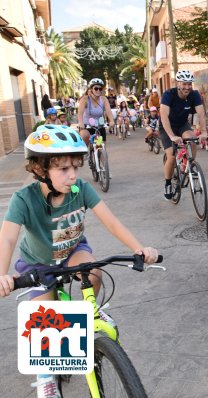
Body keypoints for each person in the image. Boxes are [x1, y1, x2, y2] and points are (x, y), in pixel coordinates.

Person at [0, 125, 159, 397]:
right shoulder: (23, 199)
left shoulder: (80, 189)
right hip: (39, 264)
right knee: (43, 321)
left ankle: (90, 310)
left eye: (76, 166)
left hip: (74, 251)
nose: (73, 174)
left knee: (94, 272)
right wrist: (2, 273)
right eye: (63, 169)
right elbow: (7, 239)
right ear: (40, 169)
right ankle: (46, 375)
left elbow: (111, 221)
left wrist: (139, 248)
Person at [160, 70, 208, 200]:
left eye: (189, 84)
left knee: (192, 140)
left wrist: (204, 131)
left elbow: (201, 113)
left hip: (182, 124)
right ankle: (168, 183)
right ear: (178, 83)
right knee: (171, 155)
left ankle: (189, 165)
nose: (187, 87)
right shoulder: (168, 95)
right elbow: (164, 116)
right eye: (184, 84)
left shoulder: (194, 94)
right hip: (167, 127)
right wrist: (171, 136)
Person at [77, 78, 115, 145]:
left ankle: (99, 154)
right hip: (87, 126)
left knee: (100, 146)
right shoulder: (85, 99)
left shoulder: (104, 99)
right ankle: (86, 154)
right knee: (84, 136)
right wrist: (80, 123)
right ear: (91, 89)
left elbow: (108, 111)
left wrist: (111, 121)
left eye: (100, 89)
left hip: (99, 126)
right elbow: (80, 112)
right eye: (96, 88)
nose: (98, 90)